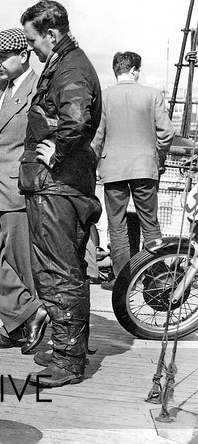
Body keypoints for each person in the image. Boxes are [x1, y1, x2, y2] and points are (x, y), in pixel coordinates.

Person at [19, 0, 102, 387]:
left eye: (34, 39)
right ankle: (67, 345)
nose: (32, 47)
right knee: (66, 269)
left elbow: (77, 119)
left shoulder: (70, 67)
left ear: (51, 34)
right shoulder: (69, 63)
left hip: (57, 188)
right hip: (60, 185)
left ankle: (68, 361)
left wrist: (59, 150)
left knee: (59, 271)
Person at [0, 28, 48, 352]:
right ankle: (27, 315)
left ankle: (20, 327)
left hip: (18, 187)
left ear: (23, 56)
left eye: (3, 57)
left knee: (22, 263)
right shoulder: (0, 85)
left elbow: (46, 132)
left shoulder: (36, 88)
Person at [91, 51, 174, 290]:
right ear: (135, 70)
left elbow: (97, 137)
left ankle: (123, 280)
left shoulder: (104, 97)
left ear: (117, 70)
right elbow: (166, 134)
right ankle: (157, 279)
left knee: (116, 225)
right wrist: (157, 155)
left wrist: (94, 164)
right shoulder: (152, 94)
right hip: (145, 167)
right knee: (150, 223)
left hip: (113, 168)